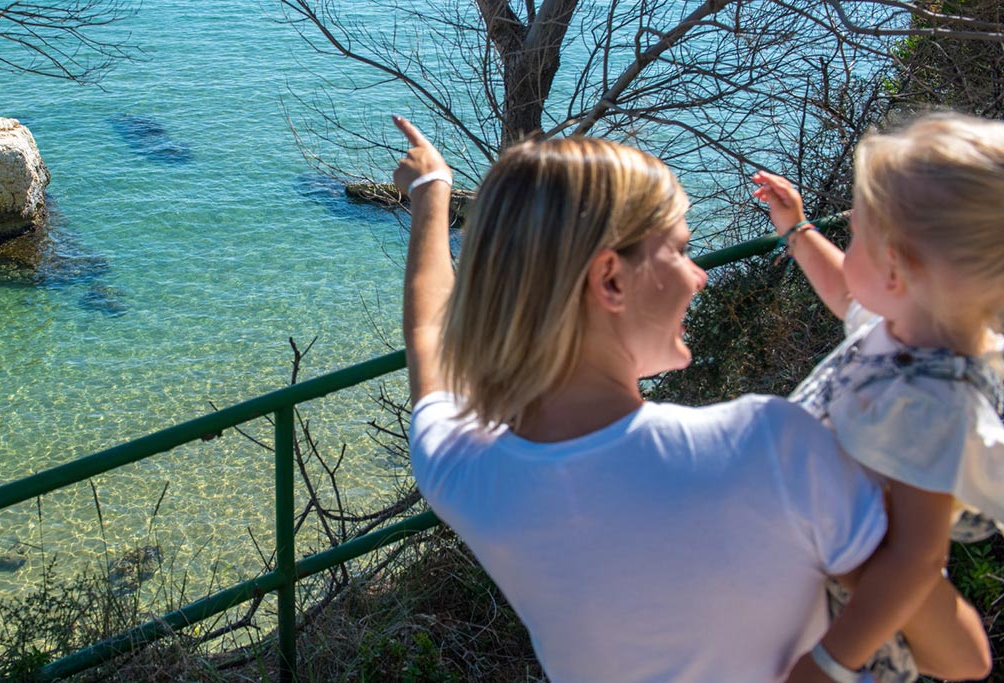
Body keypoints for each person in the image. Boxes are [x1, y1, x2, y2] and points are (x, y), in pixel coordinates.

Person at [392, 114, 988, 683]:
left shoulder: (462, 469)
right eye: (679, 250)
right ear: (611, 280)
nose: (699, 274)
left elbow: (429, 339)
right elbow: (961, 657)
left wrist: (430, 191)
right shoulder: (770, 448)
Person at [753, 111, 1003, 683]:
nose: (850, 247)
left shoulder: (932, 400)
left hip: (844, 619)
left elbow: (916, 557)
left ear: (897, 270)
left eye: (857, 236)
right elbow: (848, 293)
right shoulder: (905, 326)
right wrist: (797, 230)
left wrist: (828, 664)